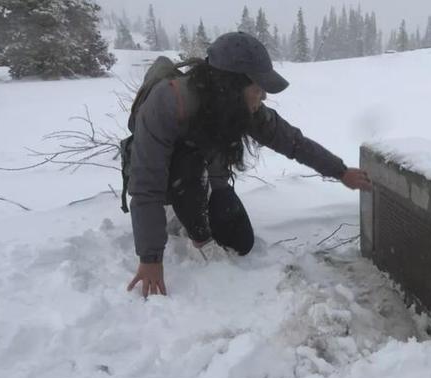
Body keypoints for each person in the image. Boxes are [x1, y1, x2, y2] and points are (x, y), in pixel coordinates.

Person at [126, 32, 372, 297]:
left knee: (241, 241)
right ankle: (190, 225)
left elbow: (292, 141)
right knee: (187, 175)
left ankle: (198, 203)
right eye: (258, 88)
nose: (264, 96)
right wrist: (150, 259)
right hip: (171, 172)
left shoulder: (241, 107)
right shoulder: (168, 102)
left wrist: (340, 171)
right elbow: (146, 184)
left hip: (208, 172)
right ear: (231, 86)